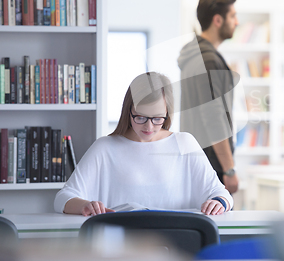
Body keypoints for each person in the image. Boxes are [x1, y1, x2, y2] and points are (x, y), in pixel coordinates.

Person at [54, 72, 233, 216]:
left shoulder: (184, 143)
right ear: (128, 111)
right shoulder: (105, 147)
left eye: (157, 119)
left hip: (176, 242)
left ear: (167, 114)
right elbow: (62, 199)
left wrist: (218, 203)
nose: (148, 127)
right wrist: (85, 205)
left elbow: (222, 194)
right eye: (140, 117)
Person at [178, 0, 239, 194]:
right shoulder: (208, 60)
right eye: (233, 16)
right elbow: (214, 118)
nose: (236, 22)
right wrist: (229, 169)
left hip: (197, 162)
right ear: (218, 20)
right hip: (212, 165)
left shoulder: (194, 56)